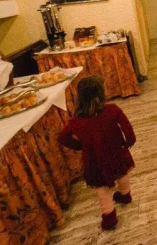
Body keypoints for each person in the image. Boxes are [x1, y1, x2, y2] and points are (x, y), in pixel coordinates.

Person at [58, 76, 136, 230]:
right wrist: (128, 142)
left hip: (95, 158)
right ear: (101, 93)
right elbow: (127, 127)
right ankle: (125, 194)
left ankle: (109, 216)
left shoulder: (76, 121)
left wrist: (80, 146)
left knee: (102, 186)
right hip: (117, 151)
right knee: (122, 172)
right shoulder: (113, 109)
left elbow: (62, 137)